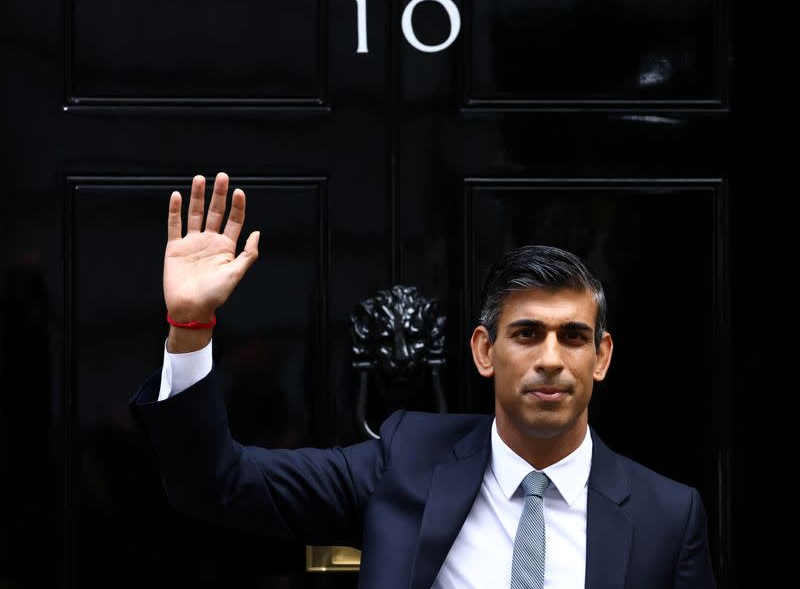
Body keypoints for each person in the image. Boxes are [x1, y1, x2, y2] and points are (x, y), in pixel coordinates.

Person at [130, 173, 717, 589]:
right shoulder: (405, 462)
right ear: (484, 351)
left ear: (602, 356)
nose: (550, 359)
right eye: (526, 334)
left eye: (572, 337)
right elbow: (216, 483)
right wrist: (190, 328)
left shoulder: (668, 516)